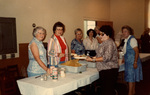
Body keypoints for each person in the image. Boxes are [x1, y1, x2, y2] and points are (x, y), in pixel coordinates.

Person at [86, 25, 119, 95]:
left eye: (102, 34)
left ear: (108, 34)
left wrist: (93, 60)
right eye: (99, 34)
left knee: (107, 91)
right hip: (105, 70)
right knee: (105, 90)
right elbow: (99, 55)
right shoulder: (104, 43)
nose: (100, 36)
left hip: (109, 70)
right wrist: (92, 58)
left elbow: (106, 57)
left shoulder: (109, 43)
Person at [121, 25, 143, 95]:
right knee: (132, 79)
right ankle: (133, 92)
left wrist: (135, 62)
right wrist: (124, 58)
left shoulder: (132, 40)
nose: (124, 33)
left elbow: (136, 51)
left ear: (129, 32)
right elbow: (126, 51)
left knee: (131, 79)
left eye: (125, 31)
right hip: (129, 62)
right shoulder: (127, 39)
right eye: (123, 32)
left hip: (132, 62)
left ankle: (130, 93)